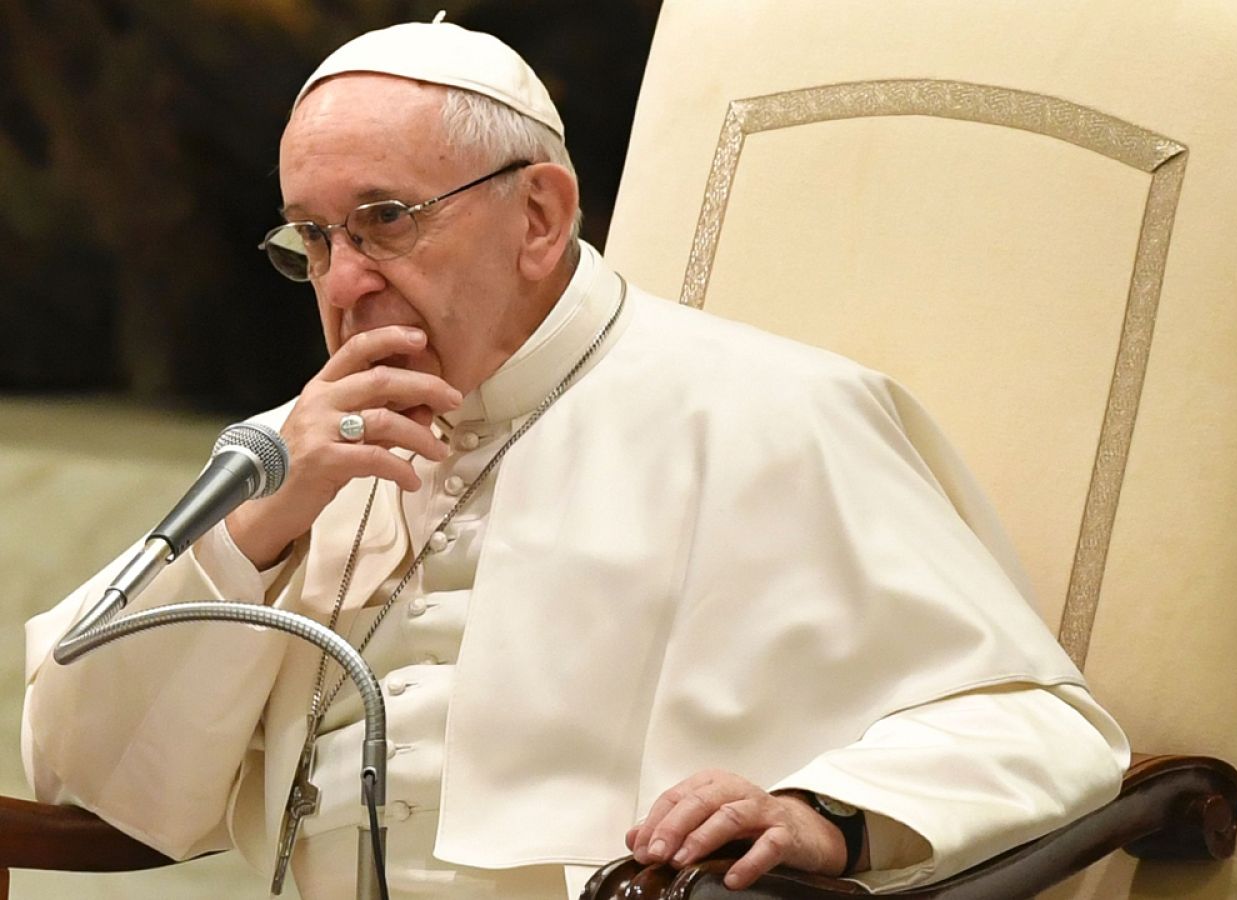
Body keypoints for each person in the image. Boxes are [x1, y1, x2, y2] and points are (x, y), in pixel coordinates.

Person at [22, 16, 1129, 900]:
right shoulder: (295, 451)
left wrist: (825, 814)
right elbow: (83, 772)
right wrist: (263, 521)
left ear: (540, 215)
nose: (345, 281)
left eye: (385, 220)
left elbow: (1040, 725)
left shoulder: (768, 412)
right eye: (313, 239)